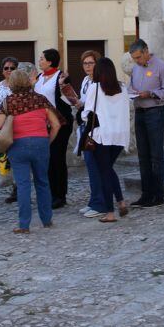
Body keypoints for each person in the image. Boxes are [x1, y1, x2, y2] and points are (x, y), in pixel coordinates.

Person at [0, 69, 60, 233]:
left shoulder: (8, 102)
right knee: (42, 182)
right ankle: (46, 219)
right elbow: (56, 124)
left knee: (23, 185)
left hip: (18, 145)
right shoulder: (41, 99)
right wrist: (47, 140)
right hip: (40, 143)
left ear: (12, 84)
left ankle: (24, 224)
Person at [82, 57, 131, 223]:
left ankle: (110, 212)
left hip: (102, 135)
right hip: (120, 134)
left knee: (104, 172)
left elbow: (86, 112)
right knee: (108, 169)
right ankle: (121, 201)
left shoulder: (95, 88)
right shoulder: (123, 88)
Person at [128, 39, 164, 208]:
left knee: (156, 156)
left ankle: (158, 195)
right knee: (143, 156)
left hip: (155, 113)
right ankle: (146, 194)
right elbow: (129, 88)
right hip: (140, 113)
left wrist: (151, 94)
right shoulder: (135, 68)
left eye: (139, 57)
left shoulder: (161, 66)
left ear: (146, 51)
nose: (138, 61)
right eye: (135, 59)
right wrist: (132, 93)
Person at [35, 48, 74, 209]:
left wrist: (63, 88)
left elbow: (71, 99)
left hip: (61, 123)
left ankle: (60, 195)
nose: (39, 61)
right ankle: (51, 193)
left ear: (50, 61)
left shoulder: (61, 77)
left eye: (42, 58)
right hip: (44, 124)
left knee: (57, 158)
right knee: (47, 159)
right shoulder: (38, 78)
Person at [73, 50, 107, 218]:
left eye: (90, 63)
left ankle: (100, 203)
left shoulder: (101, 82)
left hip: (97, 128)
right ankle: (94, 200)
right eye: (85, 63)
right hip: (86, 126)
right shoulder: (86, 81)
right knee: (90, 165)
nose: (87, 66)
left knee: (97, 166)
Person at [0, 57, 20, 205]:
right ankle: (14, 186)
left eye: (12, 68)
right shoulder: (0, 85)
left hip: (16, 125)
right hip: (3, 126)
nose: (9, 71)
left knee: (17, 157)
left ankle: (18, 188)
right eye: (6, 68)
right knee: (8, 158)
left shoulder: (18, 86)